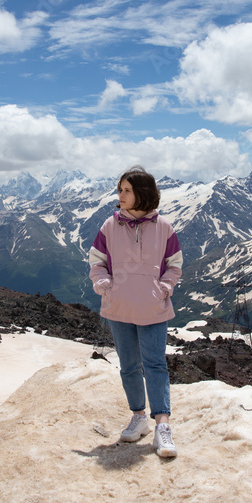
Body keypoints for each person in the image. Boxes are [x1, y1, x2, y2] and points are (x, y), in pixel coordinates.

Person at [89, 165, 183, 458]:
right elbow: (96, 261)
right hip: (118, 308)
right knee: (128, 366)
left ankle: (162, 427)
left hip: (152, 308)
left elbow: (175, 264)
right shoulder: (109, 226)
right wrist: (106, 285)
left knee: (155, 365)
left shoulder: (164, 227)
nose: (120, 195)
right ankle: (139, 417)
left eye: (126, 190)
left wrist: (164, 289)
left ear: (142, 193)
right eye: (120, 189)